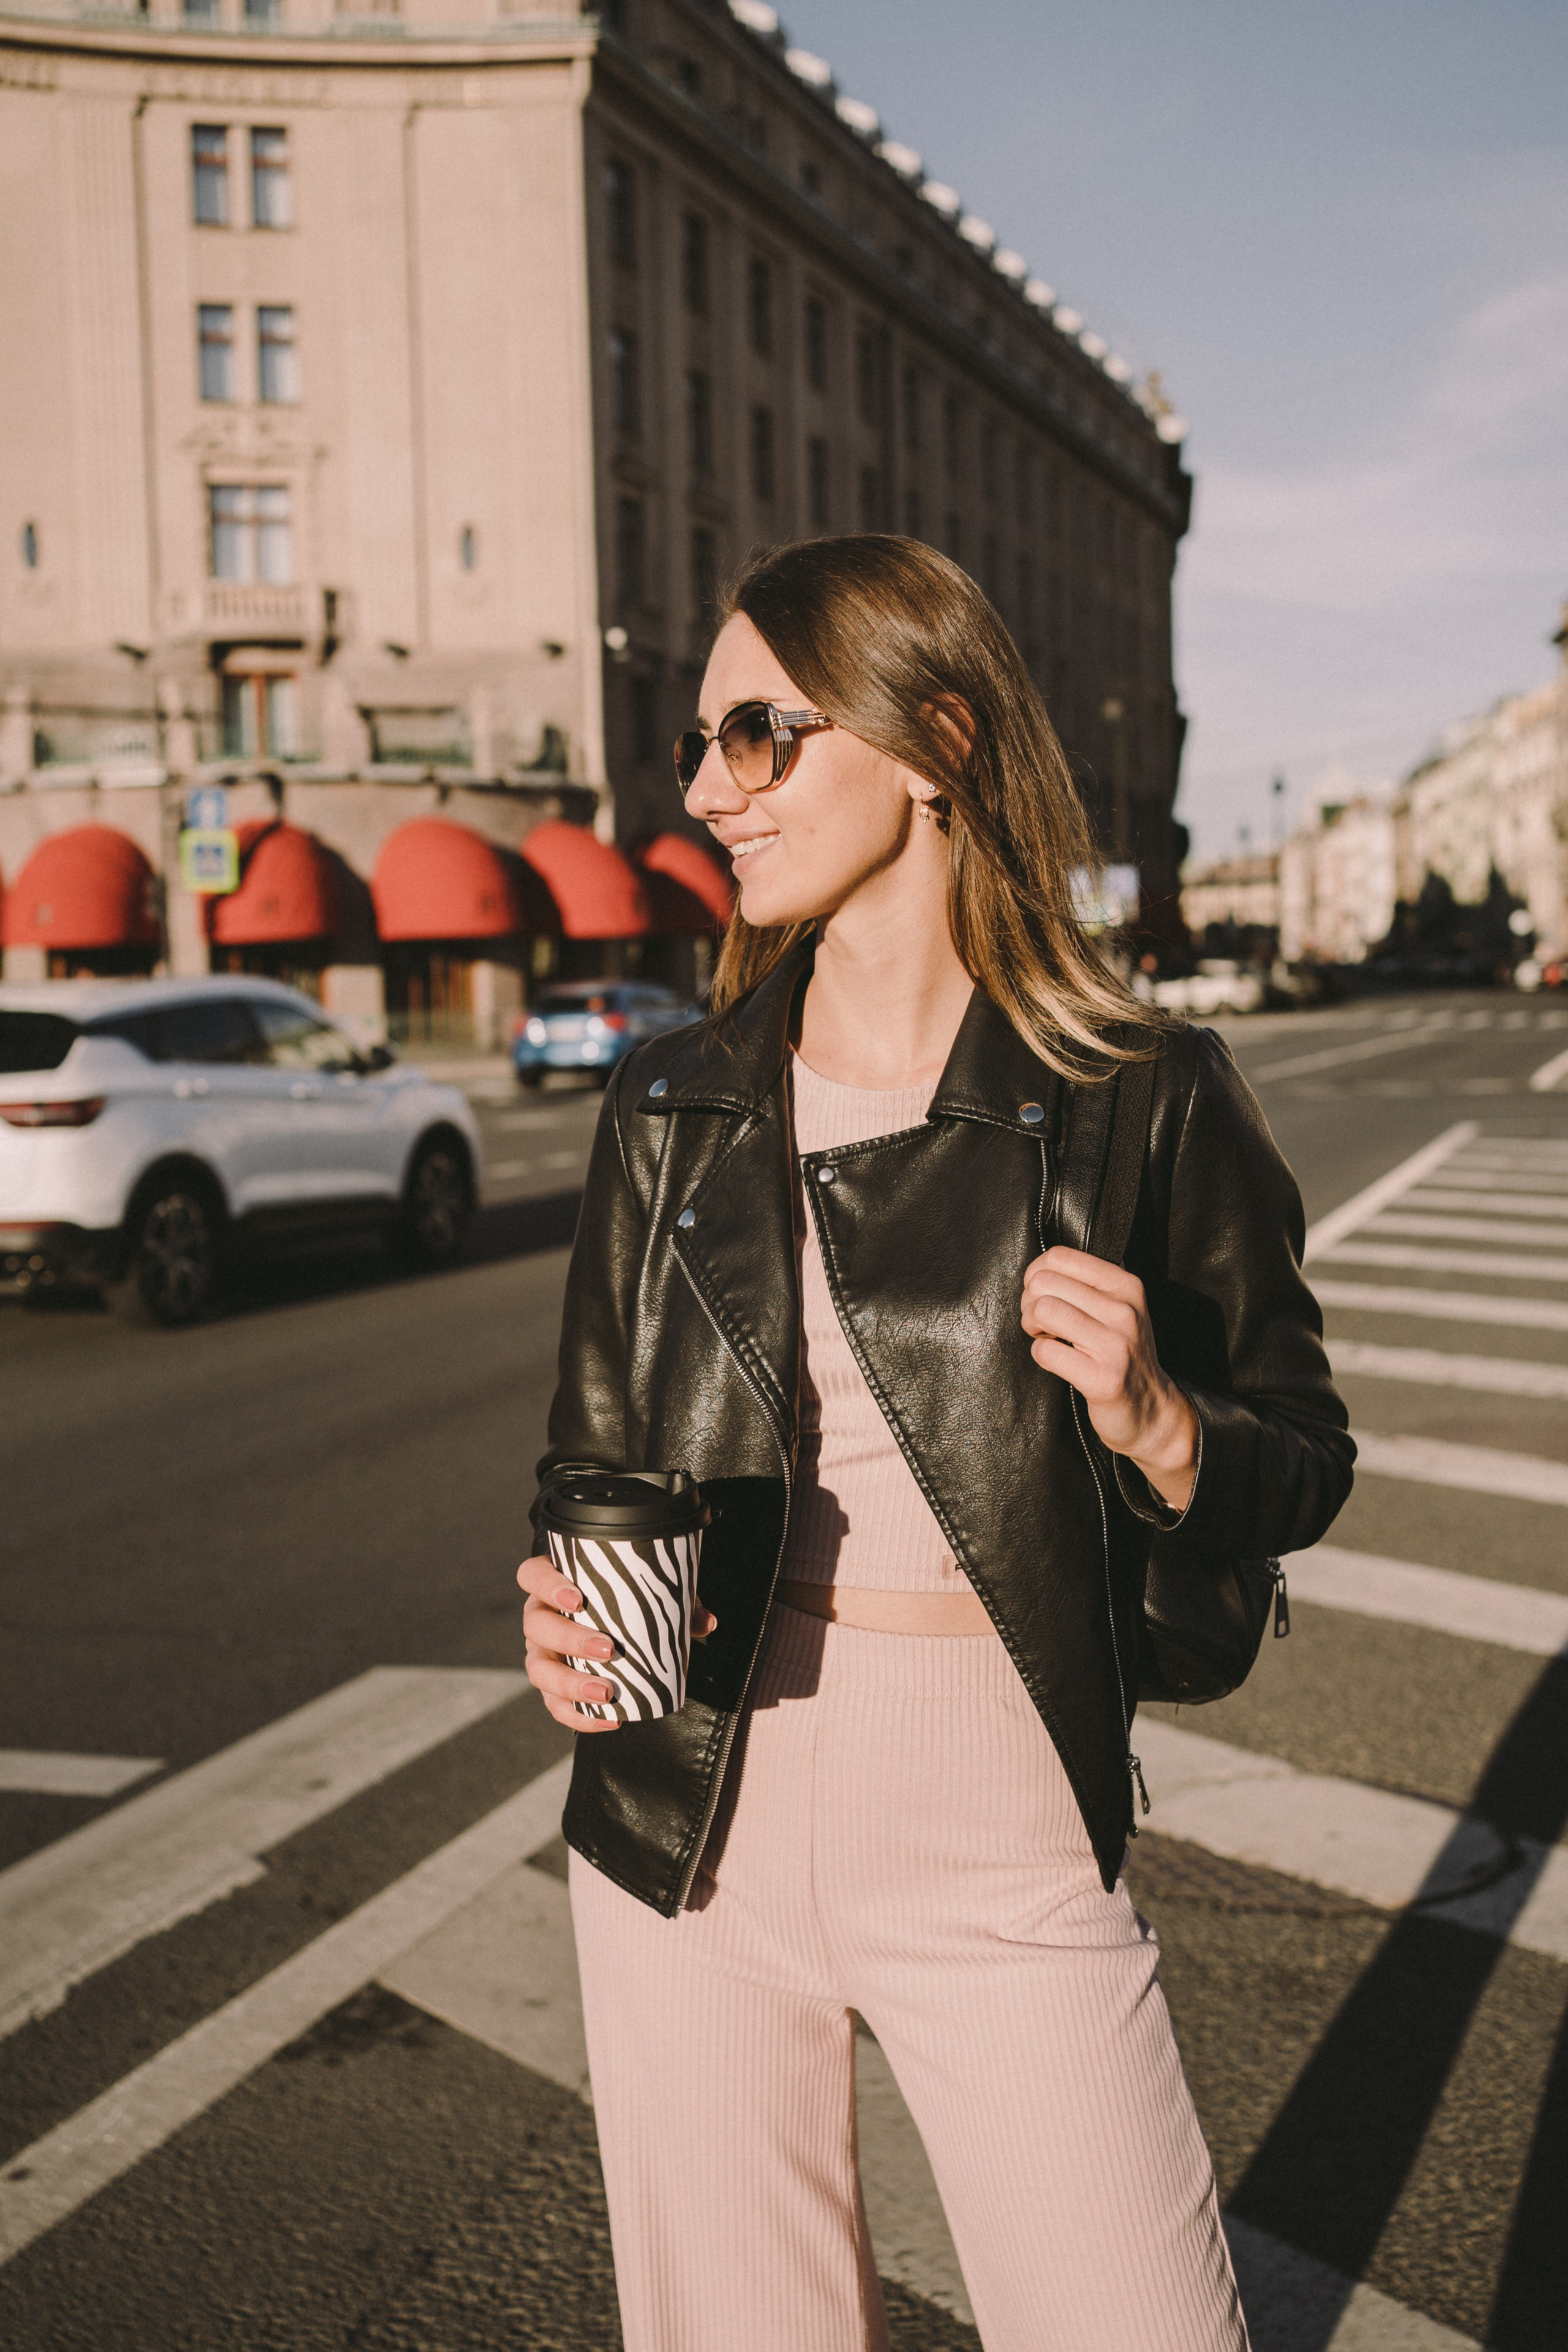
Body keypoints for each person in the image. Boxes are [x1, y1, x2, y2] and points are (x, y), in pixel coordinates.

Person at [516, 535, 1354, 2352]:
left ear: (934, 741)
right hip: (685, 1800)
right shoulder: (673, 1096)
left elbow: (1303, 1453)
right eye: (698, 747)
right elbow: (593, 1454)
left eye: (761, 734)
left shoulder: (1143, 1095)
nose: (712, 788)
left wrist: (1160, 1421)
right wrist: (560, 1602)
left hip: (997, 1819)